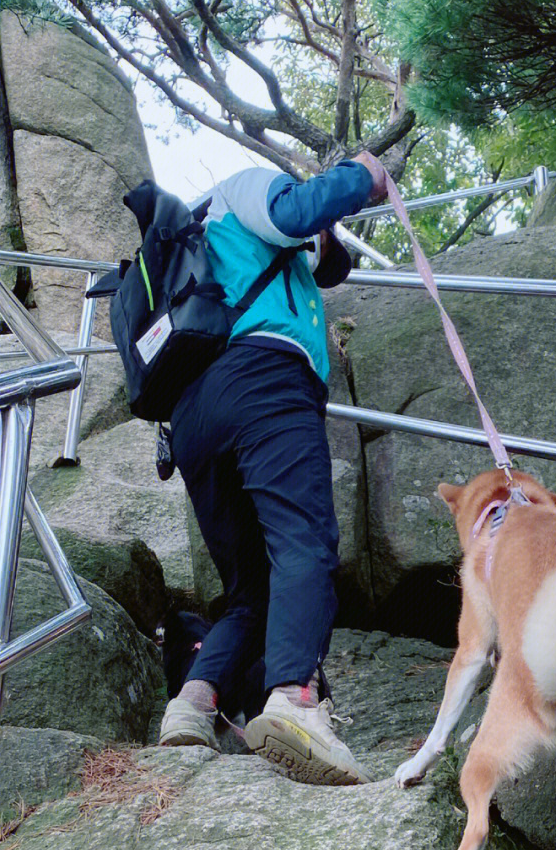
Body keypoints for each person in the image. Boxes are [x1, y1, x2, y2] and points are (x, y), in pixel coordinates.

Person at [158, 151, 388, 785]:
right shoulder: (243, 189)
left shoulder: (208, 243)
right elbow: (298, 209)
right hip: (264, 381)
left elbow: (328, 259)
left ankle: (194, 702)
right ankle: (293, 700)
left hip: (195, 417)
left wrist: (329, 232)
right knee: (304, 545)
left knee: (252, 588)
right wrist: (361, 175)